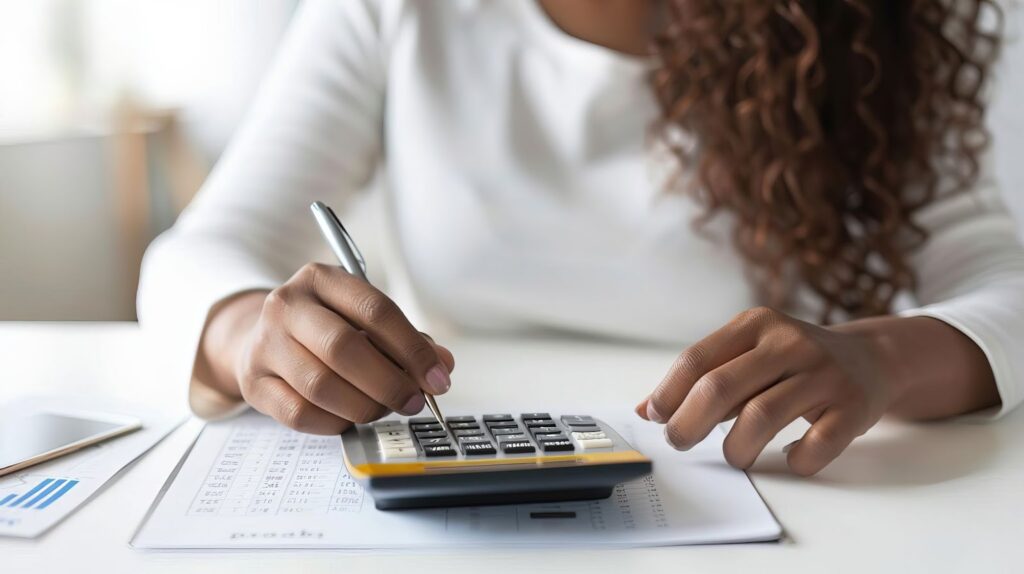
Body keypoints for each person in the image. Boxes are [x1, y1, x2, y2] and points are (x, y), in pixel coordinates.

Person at [138, 0, 1024, 476]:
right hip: (463, 466)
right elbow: (197, 252)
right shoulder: (396, 11)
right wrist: (246, 330)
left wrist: (880, 359)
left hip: (773, 490)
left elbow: (1005, 286)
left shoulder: (882, 25)